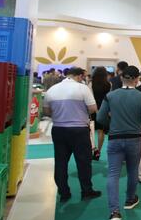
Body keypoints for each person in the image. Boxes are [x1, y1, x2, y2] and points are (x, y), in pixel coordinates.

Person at [97, 66, 141, 220]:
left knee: (113, 173)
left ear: (121, 78)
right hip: (134, 138)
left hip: (115, 138)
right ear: (137, 79)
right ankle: (130, 199)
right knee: (133, 170)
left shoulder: (110, 96)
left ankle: (114, 211)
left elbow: (100, 118)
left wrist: (112, 122)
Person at [43, 67, 101, 203]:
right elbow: (93, 108)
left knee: (60, 162)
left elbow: (46, 111)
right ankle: (86, 191)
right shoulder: (82, 88)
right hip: (79, 130)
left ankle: (64, 192)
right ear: (79, 76)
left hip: (58, 129)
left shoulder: (52, 90)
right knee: (83, 162)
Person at [91, 67, 112, 160]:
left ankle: (93, 149)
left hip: (92, 109)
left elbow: (90, 97)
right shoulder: (109, 84)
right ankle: (98, 151)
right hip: (104, 109)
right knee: (101, 131)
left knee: (91, 131)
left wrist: (95, 109)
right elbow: (109, 98)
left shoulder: (91, 83)